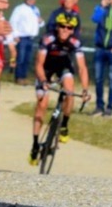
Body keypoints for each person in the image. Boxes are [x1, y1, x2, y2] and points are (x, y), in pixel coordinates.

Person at [29, 13, 89, 162]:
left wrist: (85, 89)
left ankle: (64, 124)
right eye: (62, 26)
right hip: (46, 69)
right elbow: (38, 64)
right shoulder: (48, 39)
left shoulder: (75, 42)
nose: (65, 30)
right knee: (42, 104)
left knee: (69, 90)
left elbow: (82, 68)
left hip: (63, 67)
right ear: (57, 26)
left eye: (69, 28)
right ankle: (35, 143)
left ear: (72, 30)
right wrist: (43, 80)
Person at [8, 0, 42, 85]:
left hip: (31, 37)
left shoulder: (35, 9)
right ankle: (18, 77)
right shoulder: (19, 9)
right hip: (22, 37)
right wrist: (15, 35)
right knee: (21, 58)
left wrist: (40, 22)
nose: (30, 0)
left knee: (27, 59)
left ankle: (24, 76)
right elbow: (13, 21)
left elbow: (39, 23)